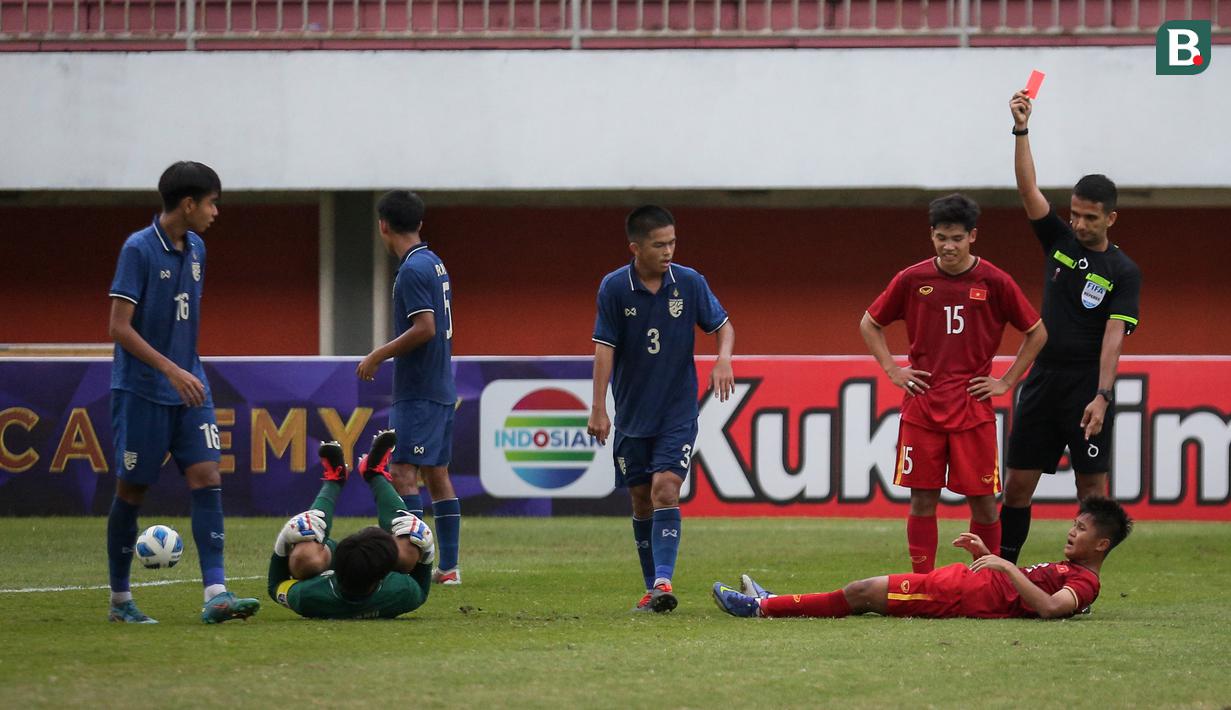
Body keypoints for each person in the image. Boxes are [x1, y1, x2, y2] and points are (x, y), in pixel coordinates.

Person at [106, 161, 260, 624]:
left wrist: (183, 371)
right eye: (212, 202)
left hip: (191, 388)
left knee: (208, 477)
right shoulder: (138, 249)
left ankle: (217, 593)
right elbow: (118, 327)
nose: (216, 211)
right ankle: (120, 601)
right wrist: (171, 369)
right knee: (132, 491)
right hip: (142, 390)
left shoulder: (197, 248)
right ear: (188, 203)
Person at [860, 194, 1046, 574]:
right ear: (931, 236)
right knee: (922, 501)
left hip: (972, 408)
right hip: (923, 406)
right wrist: (894, 371)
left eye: (957, 238)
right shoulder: (912, 279)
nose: (949, 246)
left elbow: (1037, 332)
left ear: (973, 236)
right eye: (941, 237)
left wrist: (1006, 381)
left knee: (983, 502)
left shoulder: (995, 281)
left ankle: (987, 580)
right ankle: (923, 582)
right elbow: (869, 323)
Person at [1000, 90, 1143, 564]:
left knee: (1091, 490)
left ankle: (1083, 577)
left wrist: (1101, 396)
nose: (1079, 223)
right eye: (1076, 213)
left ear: (1111, 218)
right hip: (1042, 379)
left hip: (1086, 387)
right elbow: (1027, 190)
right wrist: (1021, 129)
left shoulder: (1123, 271)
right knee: (1018, 483)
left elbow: (1113, 337)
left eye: (1090, 217)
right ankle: (1003, 566)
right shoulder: (1060, 241)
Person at [587, 205, 735, 613]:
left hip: (677, 411)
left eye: (672, 242)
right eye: (659, 244)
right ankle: (653, 587)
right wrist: (599, 407)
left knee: (665, 489)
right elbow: (604, 349)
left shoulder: (689, 282)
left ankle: (664, 580)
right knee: (640, 499)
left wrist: (723, 357)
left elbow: (722, 325)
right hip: (633, 414)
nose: (668, 250)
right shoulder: (614, 287)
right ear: (636, 247)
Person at [713, 496, 1131, 620]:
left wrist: (1003, 566)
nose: (1071, 531)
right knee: (861, 593)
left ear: (1102, 545)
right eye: (1074, 524)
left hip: (955, 597)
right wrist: (988, 556)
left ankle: (762, 608)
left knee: (859, 592)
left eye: (1081, 528)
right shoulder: (1072, 570)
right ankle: (773, 601)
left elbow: (1050, 608)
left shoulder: (1085, 583)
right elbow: (1025, 592)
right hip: (961, 583)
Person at [357, 190, 462, 585]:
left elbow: (425, 328)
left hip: (420, 389)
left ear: (383, 225)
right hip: (438, 384)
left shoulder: (413, 270)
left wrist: (377, 355)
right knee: (437, 473)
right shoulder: (433, 263)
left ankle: (413, 563)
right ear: (419, 223)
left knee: (402, 471)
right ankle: (447, 567)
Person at [268, 430, 436, 620]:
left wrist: (282, 542)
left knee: (306, 556)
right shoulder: (401, 592)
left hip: (329, 570)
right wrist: (427, 547)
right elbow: (421, 591)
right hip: (368, 567)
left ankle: (334, 479)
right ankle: (374, 473)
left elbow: (275, 586)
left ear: (336, 570)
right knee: (409, 547)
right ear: (384, 574)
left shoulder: (307, 596)